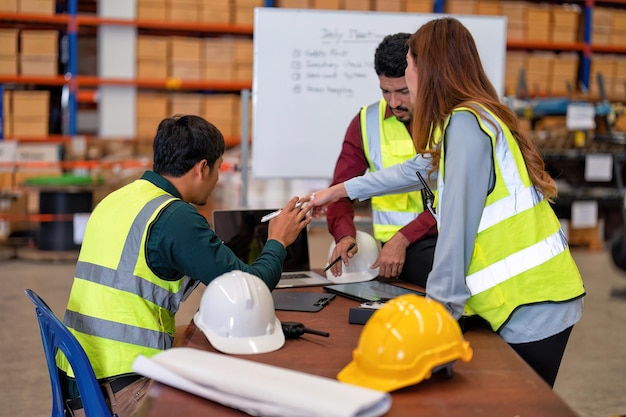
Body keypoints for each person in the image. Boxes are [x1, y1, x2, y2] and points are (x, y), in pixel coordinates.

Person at [307, 17, 585, 388]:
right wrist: (337, 192)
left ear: (428, 69)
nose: (404, 84)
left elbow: (454, 238)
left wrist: (438, 320)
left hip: (529, 304)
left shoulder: (465, 127)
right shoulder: (476, 115)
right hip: (539, 296)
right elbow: (415, 169)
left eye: (408, 69)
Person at [56, 115, 311, 417]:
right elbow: (249, 292)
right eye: (218, 169)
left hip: (79, 375)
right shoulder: (176, 218)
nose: (217, 180)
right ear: (202, 168)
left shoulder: (118, 199)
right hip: (122, 385)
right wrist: (278, 241)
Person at [326, 32, 437, 286]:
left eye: (403, 91)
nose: (394, 102)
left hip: (451, 236)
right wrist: (344, 236)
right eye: (385, 91)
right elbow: (339, 191)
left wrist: (404, 236)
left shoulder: (451, 118)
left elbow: (458, 195)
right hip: (410, 251)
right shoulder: (366, 122)